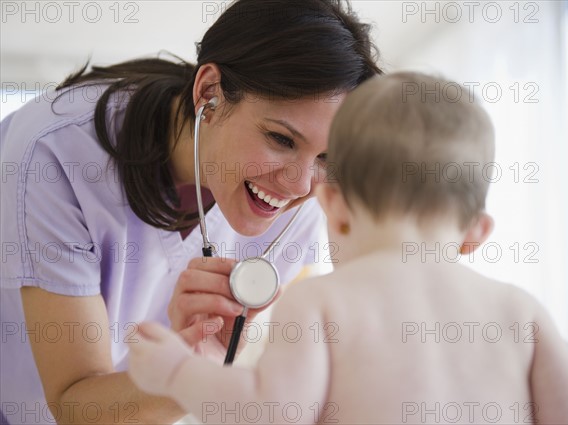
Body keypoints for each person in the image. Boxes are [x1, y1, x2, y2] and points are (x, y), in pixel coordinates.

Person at [127, 72, 568, 425]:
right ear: (475, 233)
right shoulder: (521, 312)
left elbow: (269, 411)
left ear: (333, 203)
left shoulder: (319, 302)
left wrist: (176, 372)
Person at [0, 1, 381, 424]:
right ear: (209, 93)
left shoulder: (301, 207)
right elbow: (75, 401)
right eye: (281, 139)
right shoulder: (56, 154)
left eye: (326, 158)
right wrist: (187, 377)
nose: (298, 185)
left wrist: (201, 367)